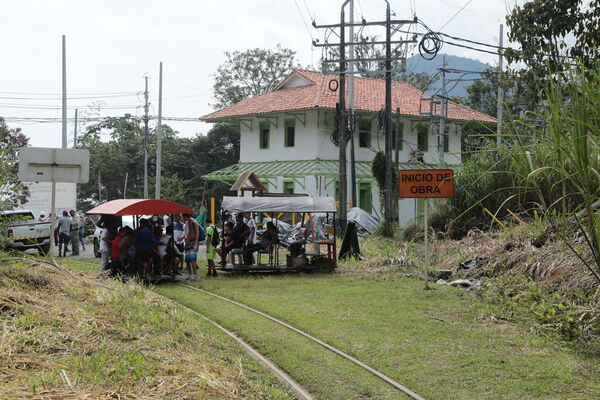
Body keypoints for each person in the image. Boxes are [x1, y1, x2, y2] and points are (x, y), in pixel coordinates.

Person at [182, 213, 200, 280]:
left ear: (186, 217)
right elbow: (189, 233)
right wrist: (186, 243)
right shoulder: (188, 222)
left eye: (183, 217)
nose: (182, 219)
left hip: (193, 241)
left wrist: (196, 244)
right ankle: (190, 274)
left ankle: (195, 275)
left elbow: (197, 233)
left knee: (192, 260)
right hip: (189, 241)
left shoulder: (194, 222)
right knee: (187, 260)